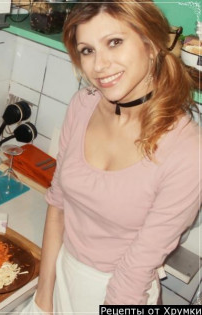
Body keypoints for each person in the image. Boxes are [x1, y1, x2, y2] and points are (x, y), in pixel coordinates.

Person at [21, 0, 201, 312]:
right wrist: (44, 295)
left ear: (152, 45)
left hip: (122, 293)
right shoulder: (83, 105)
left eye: (114, 42)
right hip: (62, 273)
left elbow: (136, 271)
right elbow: (58, 205)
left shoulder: (188, 151)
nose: (99, 65)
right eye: (87, 50)